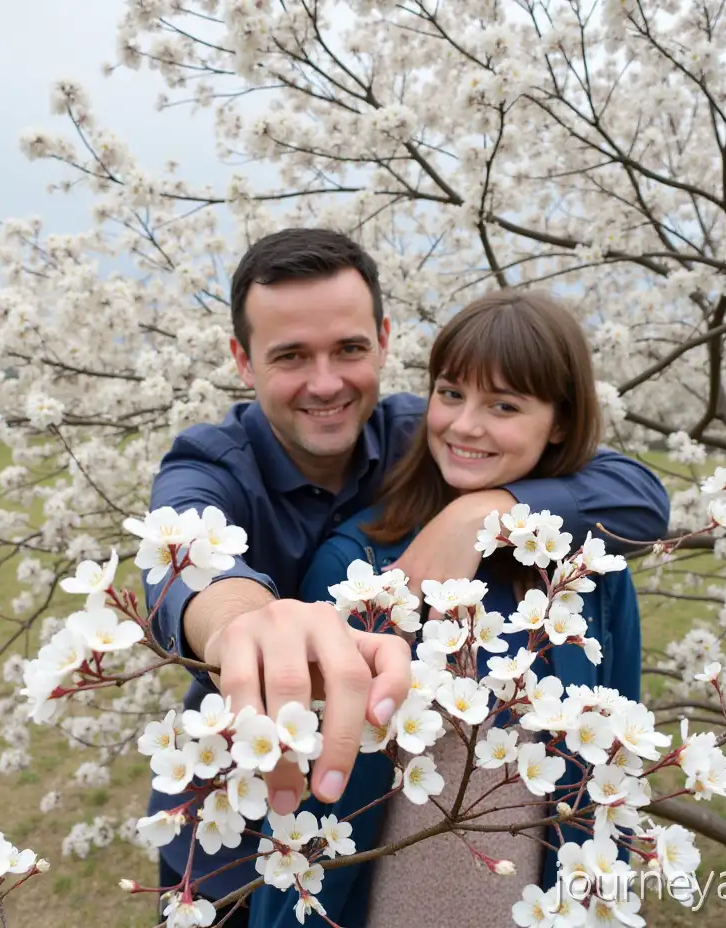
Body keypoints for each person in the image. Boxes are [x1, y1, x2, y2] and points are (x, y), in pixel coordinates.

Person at [142, 229, 669, 924]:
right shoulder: (208, 466)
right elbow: (185, 563)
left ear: (385, 341)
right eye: (291, 356)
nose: (326, 382)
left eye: (350, 350)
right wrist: (246, 625)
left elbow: (636, 495)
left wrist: (483, 512)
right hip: (227, 839)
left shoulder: (431, 436)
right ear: (242, 360)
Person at [247, 289, 643, 927]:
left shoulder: (585, 574)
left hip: (534, 897)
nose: (464, 425)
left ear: (561, 422)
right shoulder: (361, 566)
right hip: (381, 899)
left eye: (504, 405)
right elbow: (310, 798)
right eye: (451, 393)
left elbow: (617, 758)